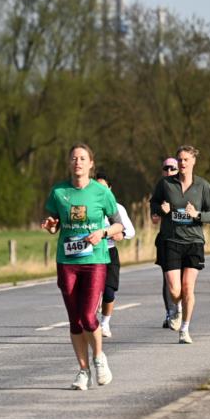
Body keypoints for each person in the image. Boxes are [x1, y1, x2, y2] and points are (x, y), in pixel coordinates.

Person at [41, 144, 123, 390]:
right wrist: (50, 224)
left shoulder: (100, 192)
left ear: (90, 164)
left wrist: (103, 232)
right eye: (74, 158)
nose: (78, 162)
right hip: (67, 261)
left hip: (95, 260)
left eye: (83, 158)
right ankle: (83, 371)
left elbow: (119, 226)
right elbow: (54, 224)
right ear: (69, 163)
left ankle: (99, 359)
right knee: (75, 320)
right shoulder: (58, 191)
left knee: (88, 315)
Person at [149, 145, 210, 344]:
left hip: (194, 241)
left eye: (186, 160)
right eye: (179, 160)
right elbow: (153, 204)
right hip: (170, 240)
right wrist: (161, 209)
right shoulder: (165, 184)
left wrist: (197, 214)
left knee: (188, 288)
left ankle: (185, 329)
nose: (182, 163)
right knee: (175, 291)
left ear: (193, 161)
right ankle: (176, 308)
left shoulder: (203, 186)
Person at [93, 173, 135, 338]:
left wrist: (121, 235)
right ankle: (91, 320)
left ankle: (104, 323)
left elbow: (130, 231)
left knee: (109, 292)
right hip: (91, 254)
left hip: (109, 252)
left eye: (103, 188)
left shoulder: (117, 208)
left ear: (109, 189)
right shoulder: (88, 207)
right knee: (93, 291)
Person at [153, 157, 181, 327]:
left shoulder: (187, 186)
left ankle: (180, 310)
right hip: (166, 239)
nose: (168, 171)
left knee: (183, 281)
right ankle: (170, 312)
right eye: (165, 168)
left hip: (186, 239)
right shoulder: (160, 189)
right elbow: (154, 219)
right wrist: (160, 212)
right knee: (168, 279)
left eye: (172, 168)